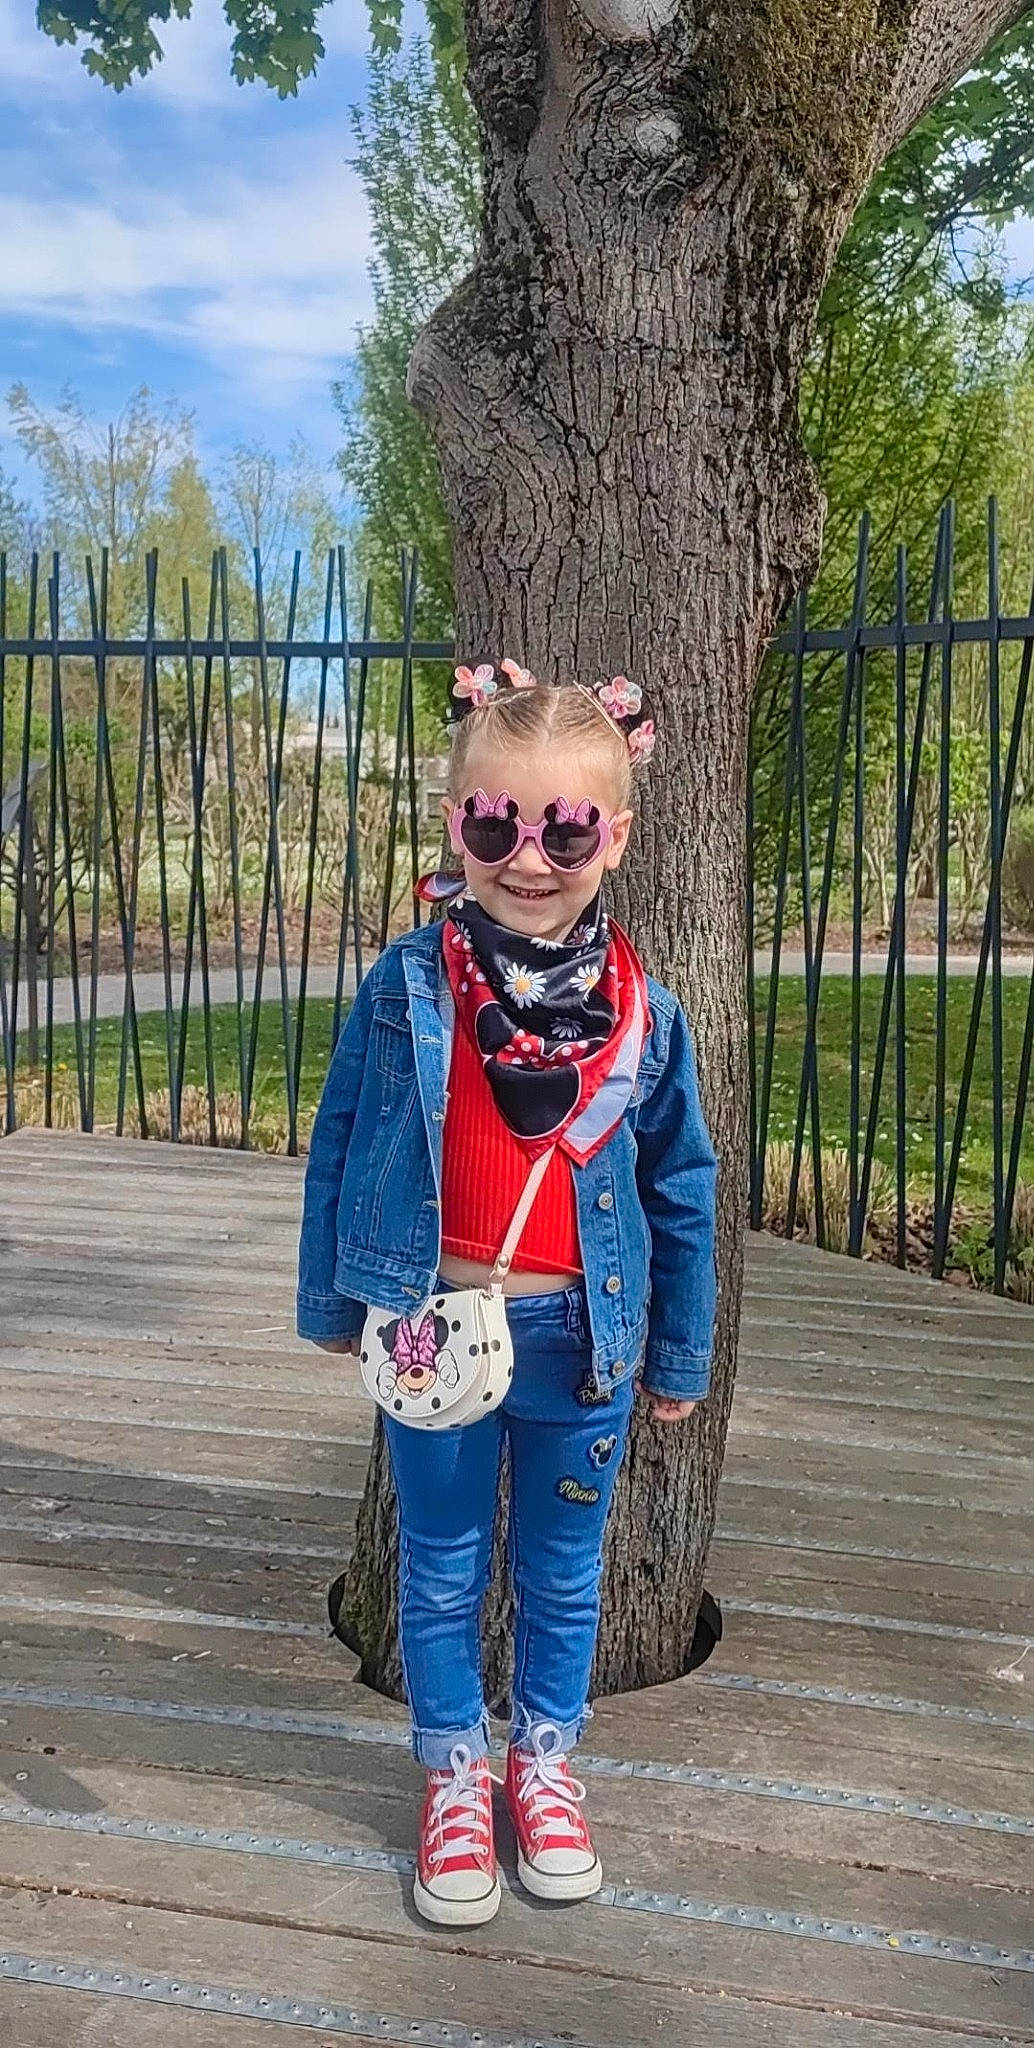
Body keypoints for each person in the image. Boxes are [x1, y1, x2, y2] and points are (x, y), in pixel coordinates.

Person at [297, 665, 717, 1929]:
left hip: (581, 1340)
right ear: (455, 824)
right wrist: (331, 1301)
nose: (528, 858)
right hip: (432, 1328)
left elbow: (680, 1187)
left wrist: (678, 1352)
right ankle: (451, 1773)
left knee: (561, 1568)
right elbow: (341, 1136)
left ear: (615, 837)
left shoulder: (643, 1016)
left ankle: (541, 1762)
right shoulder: (406, 984)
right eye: (495, 824)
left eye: (565, 829)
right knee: (437, 1567)